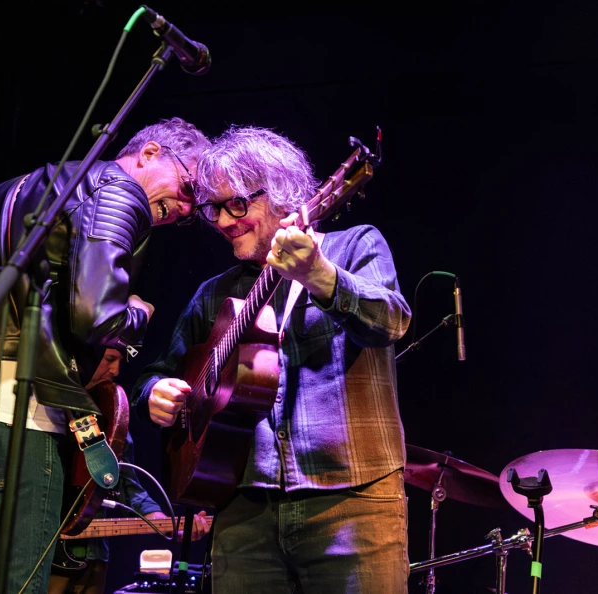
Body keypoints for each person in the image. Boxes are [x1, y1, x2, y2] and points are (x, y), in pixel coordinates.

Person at [0, 117, 211, 594]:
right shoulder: (120, 189)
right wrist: (137, 313)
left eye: (196, 205)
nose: (186, 207)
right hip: (14, 413)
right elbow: (95, 315)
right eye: (189, 186)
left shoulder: (7, 189)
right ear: (150, 152)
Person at [131, 125, 412, 593]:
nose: (222, 221)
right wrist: (152, 395)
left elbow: (392, 322)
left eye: (237, 204)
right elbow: (157, 374)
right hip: (242, 511)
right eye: (213, 209)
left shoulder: (354, 246)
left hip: (351, 500)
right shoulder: (213, 294)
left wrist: (322, 278)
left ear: (282, 194)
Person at [48, 348, 210, 594]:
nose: (116, 370)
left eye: (120, 362)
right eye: (109, 360)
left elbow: (127, 485)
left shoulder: (110, 416)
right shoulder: (48, 406)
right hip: (48, 555)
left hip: (95, 555)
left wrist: (159, 519)